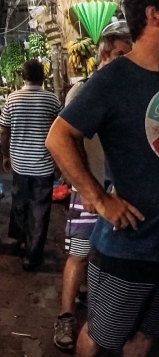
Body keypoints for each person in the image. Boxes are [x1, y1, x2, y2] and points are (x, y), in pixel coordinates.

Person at [46, 0, 159, 357]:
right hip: (128, 246)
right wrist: (97, 197)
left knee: (145, 338)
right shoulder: (114, 79)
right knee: (100, 335)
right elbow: (58, 137)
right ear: (154, 15)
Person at [53, 31, 132, 351]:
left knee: (106, 257)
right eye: (122, 53)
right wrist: (87, 190)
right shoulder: (84, 90)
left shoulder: (127, 89)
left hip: (118, 193)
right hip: (91, 189)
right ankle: (65, 317)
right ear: (104, 55)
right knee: (79, 255)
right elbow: (64, 139)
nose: (128, 59)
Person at [0, 59, 61, 272]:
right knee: (39, 209)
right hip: (43, 165)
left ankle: (23, 241)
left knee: (20, 204)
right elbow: (59, 132)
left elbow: (4, 130)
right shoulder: (51, 100)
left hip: (19, 164)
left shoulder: (12, 99)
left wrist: (5, 155)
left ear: (23, 77)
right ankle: (33, 255)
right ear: (43, 77)